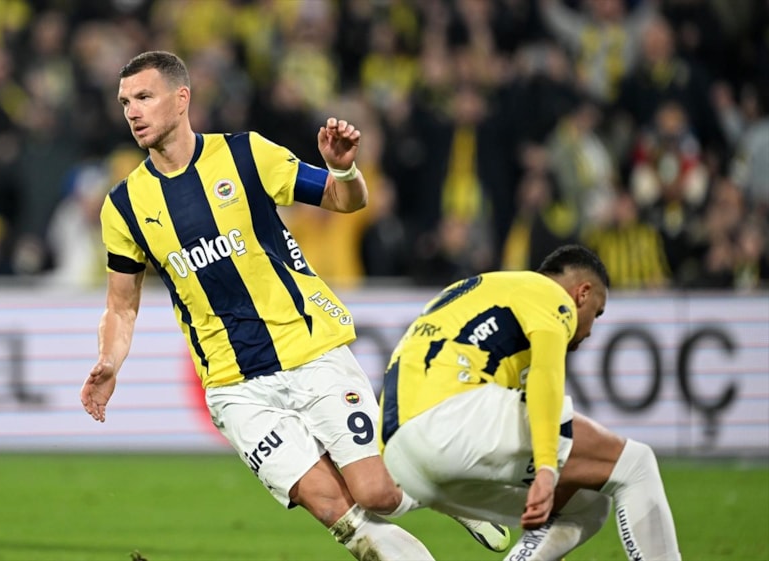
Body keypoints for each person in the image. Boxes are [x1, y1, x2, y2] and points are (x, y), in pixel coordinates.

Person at [79, 50, 508, 560]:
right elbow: (121, 306)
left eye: (144, 97)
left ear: (181, 99)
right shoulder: (124, 205)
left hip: (309, 351)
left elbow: (345, 200)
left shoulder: (246, 155)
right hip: (234, 386)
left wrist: (343, 171)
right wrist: (109, 361)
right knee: (339, 514)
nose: (132, 111)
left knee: (377, 494)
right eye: (125, 102)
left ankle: (448, 485)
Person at [379, 244, 683, 560]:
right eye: (597, 312)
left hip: (403, 460)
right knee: (634, 463)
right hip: (449, 419)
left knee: (586, 501)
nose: (592, 329)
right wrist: (546, 468)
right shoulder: (549, 295)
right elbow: (545, 376)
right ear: (583, 293)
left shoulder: (488, 293)